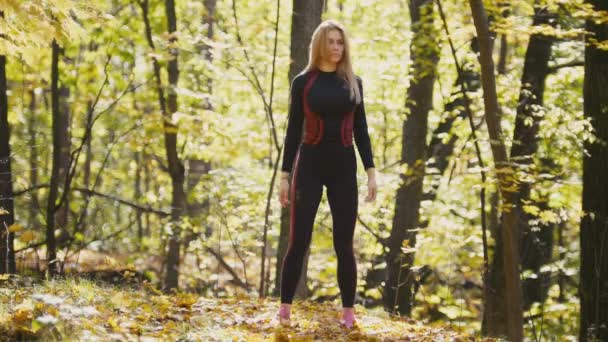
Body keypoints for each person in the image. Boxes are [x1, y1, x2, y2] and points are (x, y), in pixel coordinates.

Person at [277, 19, 377, 329]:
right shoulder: (303, 82)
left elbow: (361, 130)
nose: (337, 47)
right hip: (309, 166)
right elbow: (293, 130)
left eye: (341, 42)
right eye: (331, 41)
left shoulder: (353, 82)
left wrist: (371, 171)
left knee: (344, 244)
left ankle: (348, 313)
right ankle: (283, 310)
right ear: (320, 44)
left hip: (344, 169)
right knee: (298, 241)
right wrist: (284, 174)